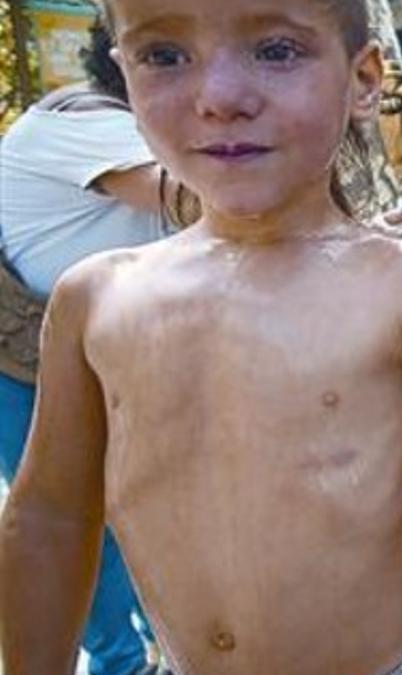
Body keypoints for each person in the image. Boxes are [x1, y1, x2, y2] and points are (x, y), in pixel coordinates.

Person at [0, 0, 402, 673]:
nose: (220, 97)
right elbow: (50, 515)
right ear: (123, 72)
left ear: (364, 79)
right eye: (165, 55)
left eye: (277, 50)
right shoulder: (95, 300)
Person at [0, 17, 192, 675]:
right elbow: (192, 198)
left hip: (96, 352)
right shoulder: (79, 121)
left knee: (117, 513)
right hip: (27, 362)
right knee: (74, 523)